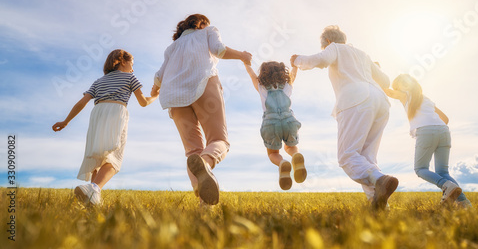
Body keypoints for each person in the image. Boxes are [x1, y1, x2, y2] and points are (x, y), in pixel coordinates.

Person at [290, 25, 398, 210]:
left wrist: (296, 60)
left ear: (329, 42)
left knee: (347, 156)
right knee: (367, 158)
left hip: (356, 101)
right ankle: (379, 205)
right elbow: (386, 81)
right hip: (381, 101)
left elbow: (320, 60)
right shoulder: (363, 54)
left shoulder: (335, 48)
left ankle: (380, 180)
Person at [152, 14, 251, 205]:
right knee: (219, 140)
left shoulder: (171, 48)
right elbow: (219, 50)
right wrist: (242, 56)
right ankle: (205, 165)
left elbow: (159, 76)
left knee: (192, 152)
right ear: (201, 23)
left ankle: (204, 205)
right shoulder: (208, 31)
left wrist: (154, 90)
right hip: (204, 83)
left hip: (173, 96)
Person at [52, 49, 158, 205]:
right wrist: (155, 96)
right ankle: (94, 187)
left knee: (98, 156)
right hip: (116, 111)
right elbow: (143, 102)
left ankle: (93, 198)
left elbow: (81, 103)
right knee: (115, 156)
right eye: (132, 64)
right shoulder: (130, 77)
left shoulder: (98, 81)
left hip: (97, 114)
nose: (133, 68)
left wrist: (66, 121)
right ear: (122, 61)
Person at [384, 74, 472, 208]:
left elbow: (388, 92)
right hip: (444, 131)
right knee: (443, 172)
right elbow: (446, 119)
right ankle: (465, 204)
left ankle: (446, 186)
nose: (396, 89)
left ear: (402, 86)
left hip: (426, 132)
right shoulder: (427, 99)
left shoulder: (405, 95)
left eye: (397, 86)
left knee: (420, 169)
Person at [244, 61, 306, 190]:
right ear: (282, 73)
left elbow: (251, 74)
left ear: (263, 75)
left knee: (273, 153)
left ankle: (282, 163)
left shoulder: (261, 86)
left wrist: (246, 63)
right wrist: (294, 65)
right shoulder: (286, 85)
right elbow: (294, 74)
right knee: (290, 147)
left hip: (270, 123)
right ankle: (295, 156)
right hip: (289, 120)